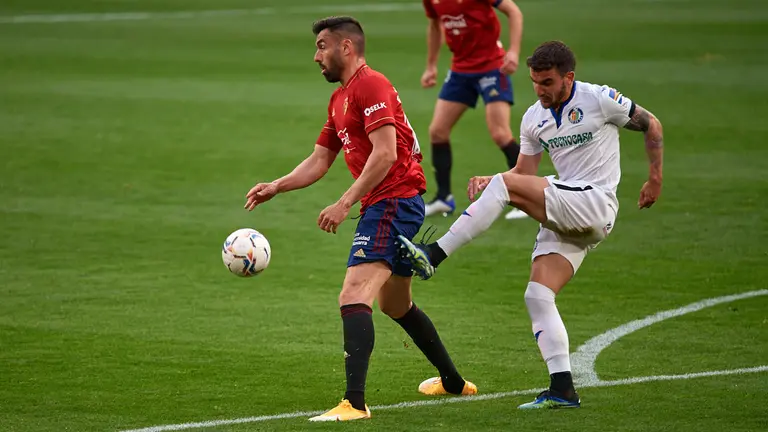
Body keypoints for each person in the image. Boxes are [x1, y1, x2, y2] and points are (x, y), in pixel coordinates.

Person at [398, 40, 664, 409]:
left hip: (594, 203)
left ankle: (435, 253)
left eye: (548, 82)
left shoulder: (599, 99)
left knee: (504, 187)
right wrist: (493, 178)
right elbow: (523, 174)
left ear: (568, 77)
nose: (540, 90)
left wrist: (654, 179)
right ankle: (563, 389)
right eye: (535, 82)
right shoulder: (533, 118)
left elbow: (652, 124)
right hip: (568, 212)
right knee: (538, 296)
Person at [244, 16, 477, 422]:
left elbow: (385, 153)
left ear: (346, 48)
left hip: (393, 201)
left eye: (321, 46)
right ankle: (454, 383)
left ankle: (354, 403)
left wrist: (345, 202)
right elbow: (320, 159)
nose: (316, 56)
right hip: (388, 202)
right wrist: (276, 186)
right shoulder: (340, 99)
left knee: (354, 294)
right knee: (396, 304)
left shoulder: (371, 85)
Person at [420, 0, 527, 220]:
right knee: (437, 131)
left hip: (492, 67)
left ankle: (525, 195)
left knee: (500, 133)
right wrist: (431, 65)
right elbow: (434, 25)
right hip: (460, 69)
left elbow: (514, 12)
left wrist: (514, 52)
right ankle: (443, 198)